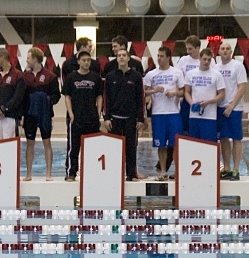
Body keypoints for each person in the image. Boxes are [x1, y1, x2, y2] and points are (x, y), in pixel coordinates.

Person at [143, 45, 183, 181]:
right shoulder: (151, 74)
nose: (159, 59)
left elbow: (183, 91)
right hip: (158, 113)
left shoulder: (177, 72)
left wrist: (174, 93)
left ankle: (177, 171)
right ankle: (163, 171)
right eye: (158, 56)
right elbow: (143, 91)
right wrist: (154, 91)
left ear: (168, 58)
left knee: (175, 144)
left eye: (162, 56)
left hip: (173, 113)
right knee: (160, 144)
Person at [104, 48, 145, 182]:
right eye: (119, 55)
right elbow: (106, 98)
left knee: (131, 148)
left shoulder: (136, 76)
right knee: (114, 148)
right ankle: (114, 174)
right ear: (116, 59)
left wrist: (140, 118)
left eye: (124, 55)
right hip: (114, 118)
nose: (121, 57)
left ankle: (131, 174)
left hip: (130, 119)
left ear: (128, 58)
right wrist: (106, 117)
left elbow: (140, 98)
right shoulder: (110, 77)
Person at [62, 50, 102, 182]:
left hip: (92, 117)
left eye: (88, 60)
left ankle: (91, 172)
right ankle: (71, 172)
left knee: (93, 148)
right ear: (78, 61)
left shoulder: (96, 78)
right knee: (73, 148)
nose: (86, 63)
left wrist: (98, 113)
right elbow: (67, 97)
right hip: (76, 118)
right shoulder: (71, 77)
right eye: (84, 60)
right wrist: (71, 113)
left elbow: (99, 96)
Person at [23, 48, 61, 181]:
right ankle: (28, 173)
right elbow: (21, 96)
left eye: (28, 58)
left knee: (47, 142)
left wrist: (46, 99)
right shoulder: (25, 76)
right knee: (29, 144)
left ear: (35, 59)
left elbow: (56, 95)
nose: (26, 60)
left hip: (45, 114)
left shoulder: (50, 76)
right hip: (29, 114)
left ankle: (49, 173)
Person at [215, 41, 248, 181]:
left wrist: (231, 106)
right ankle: (227, 168)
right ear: (219, 51)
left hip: (234, 108)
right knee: (223, 138)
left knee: (236, 138)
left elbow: (242, 88)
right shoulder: (215, 67)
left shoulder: (238, 66)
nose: (225, 51)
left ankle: (236, 169)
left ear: (231, 51)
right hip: (219, 107)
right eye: (222, 48)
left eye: (228, 48)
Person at [184, 49, 225, 143]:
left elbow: (222, 94)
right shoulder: (190, 74)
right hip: (194, 116)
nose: (206, 62)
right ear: (200, 58)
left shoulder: (217, 75)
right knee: (194, 144)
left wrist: (208, 102)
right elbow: (186, 92)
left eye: (209, 60)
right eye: (204, 59)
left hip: (209, 116)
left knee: (209, 145)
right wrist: (191, 103)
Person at [0, 48, 26, 142]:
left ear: (2, 57)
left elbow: (18, 97)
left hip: (10, 117)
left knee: (9, 145)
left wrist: (3, 109)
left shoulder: (18, 75)